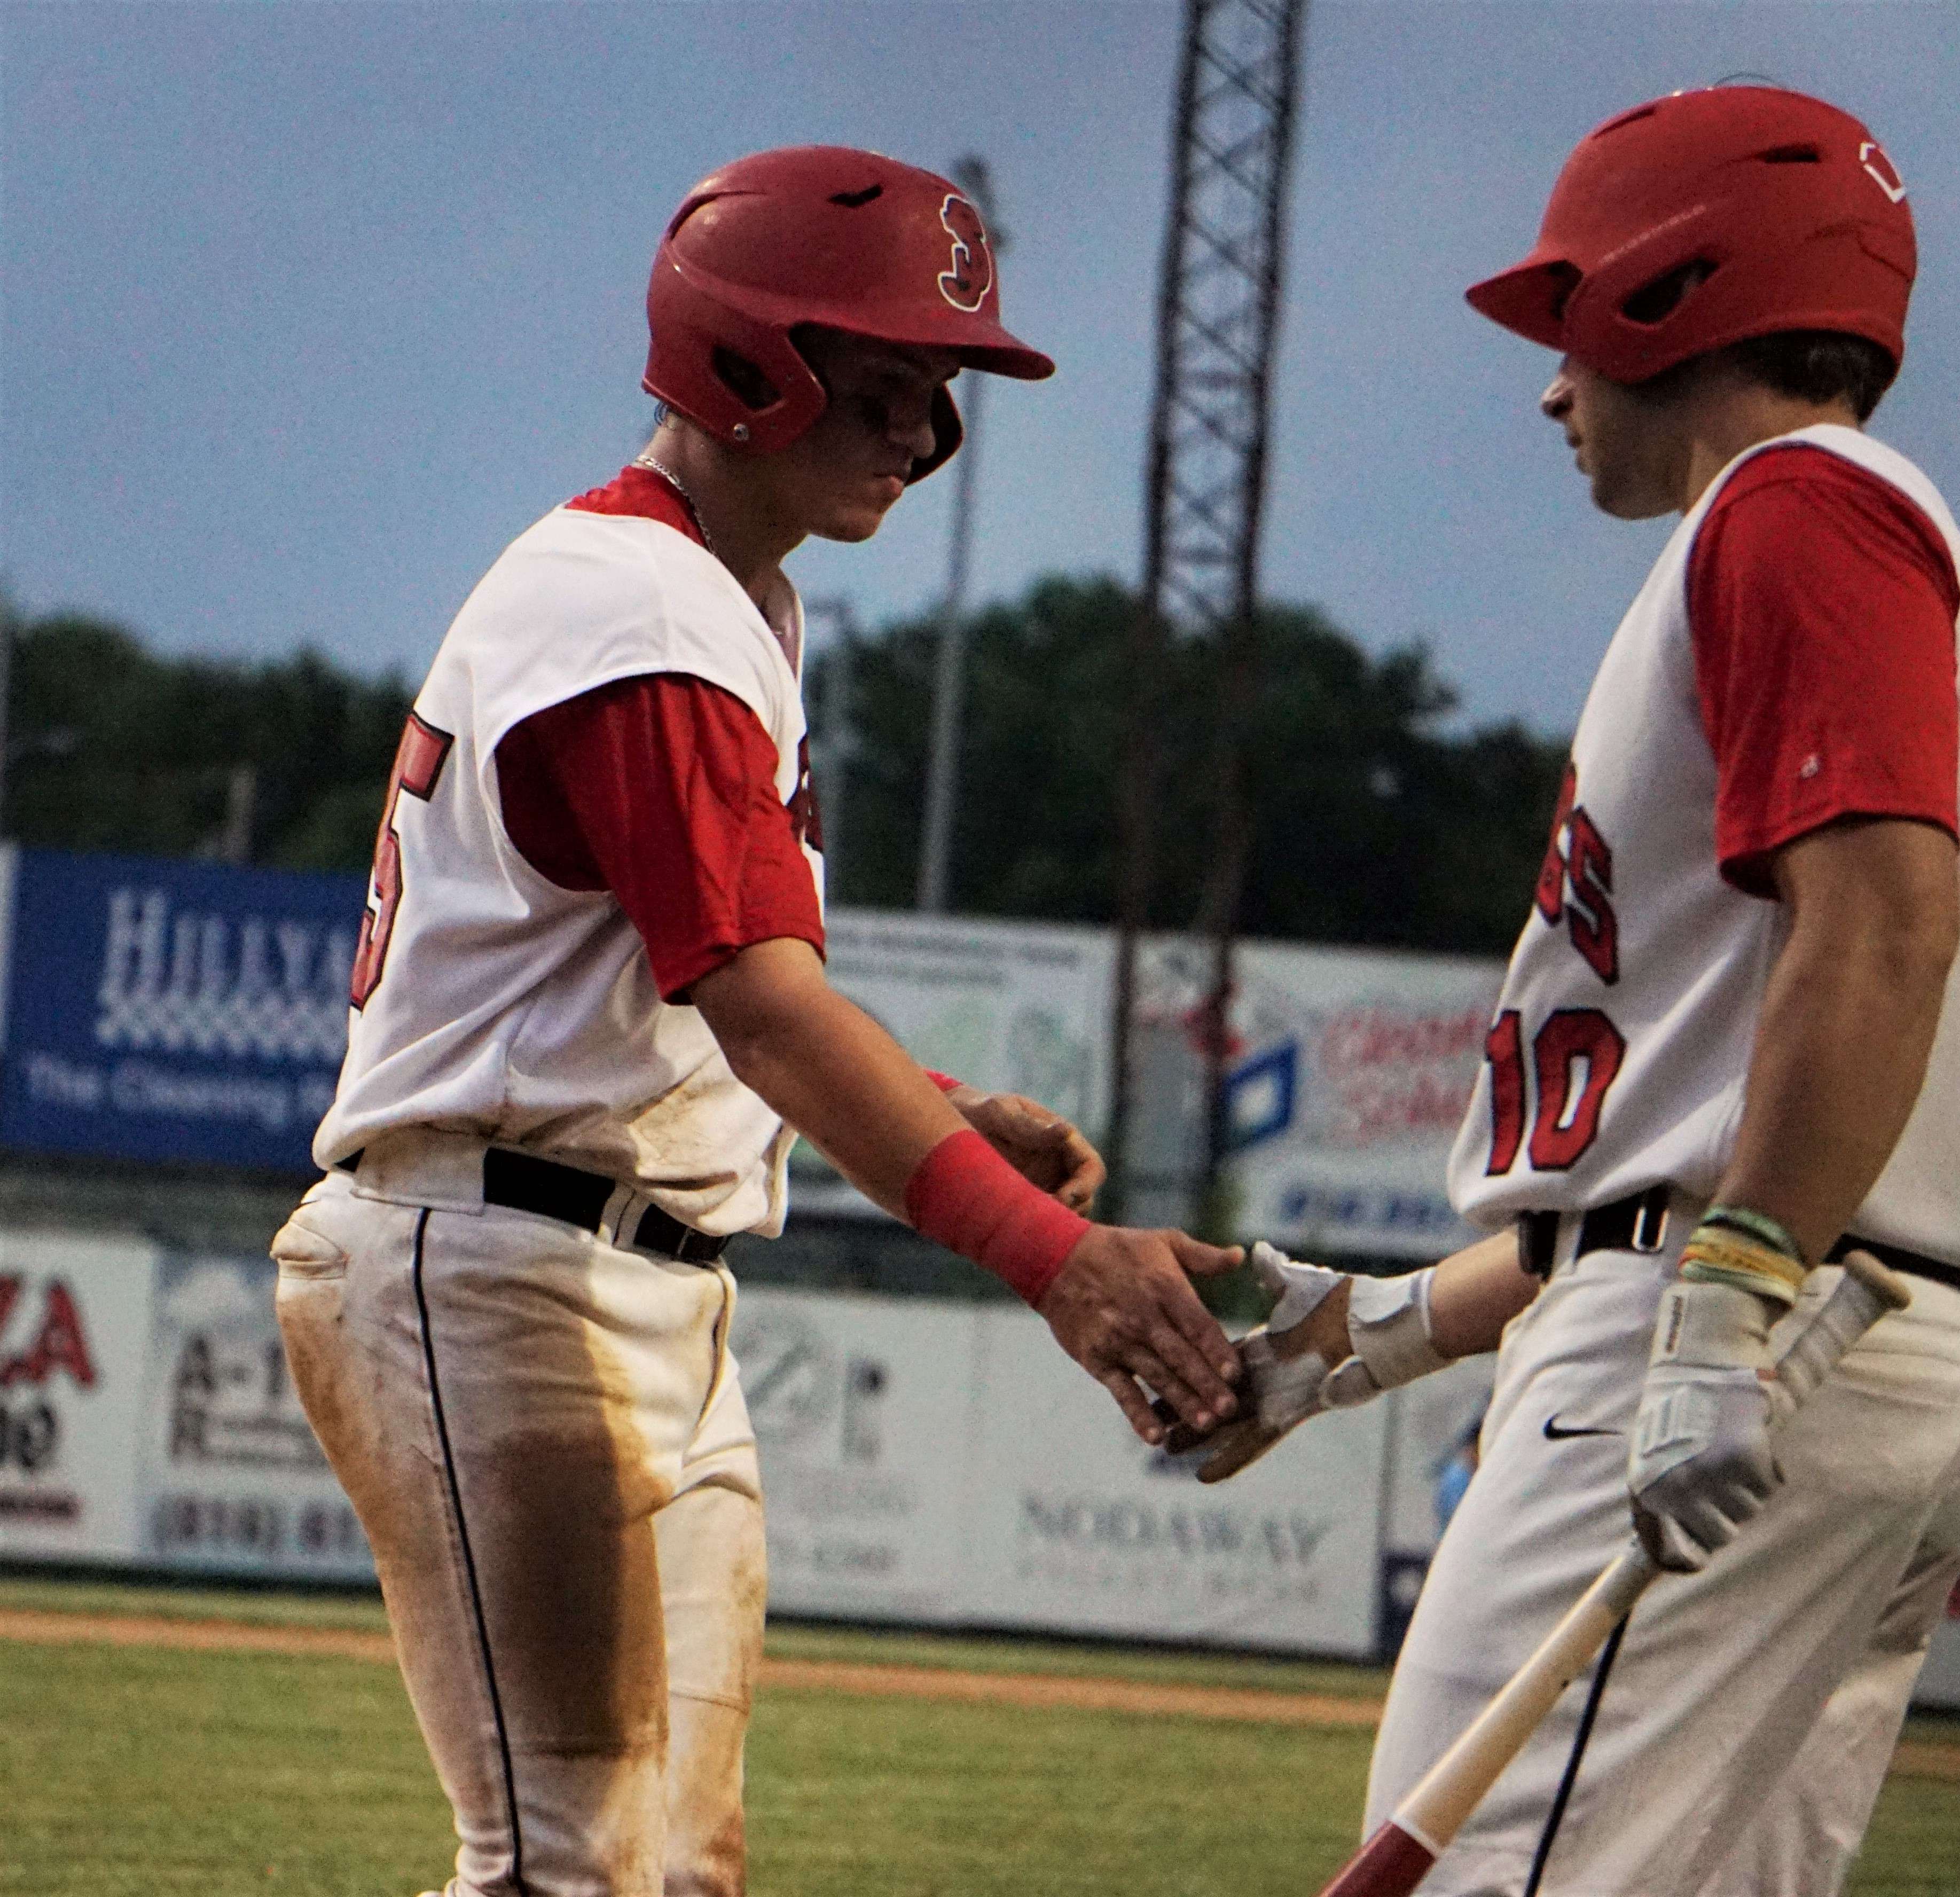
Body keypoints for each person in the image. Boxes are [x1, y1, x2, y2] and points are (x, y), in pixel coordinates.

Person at [271, 145, 1242, 1897]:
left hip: (589, 1255)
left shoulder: (713, 595)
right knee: (573, 1865)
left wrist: (932, 1105)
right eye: (885, 384)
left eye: (938, 397)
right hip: (500, 1265)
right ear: (745, 360)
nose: (921, 437)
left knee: (663, 1869)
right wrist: (1050, 1254)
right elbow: (762, 1003)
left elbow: (656, 985)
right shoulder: (640, 606)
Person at [1170, 85, 1960, 1896]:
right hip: (1850, 1336)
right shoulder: (1849, 534)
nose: (1551, 381)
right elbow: (1692, 1119)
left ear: (1672, 295)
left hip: (1743, 1331)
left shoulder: (1793, 508)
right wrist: (1375, 1339)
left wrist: (1718, 1312)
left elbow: (1878, 924)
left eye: (1571, 317)